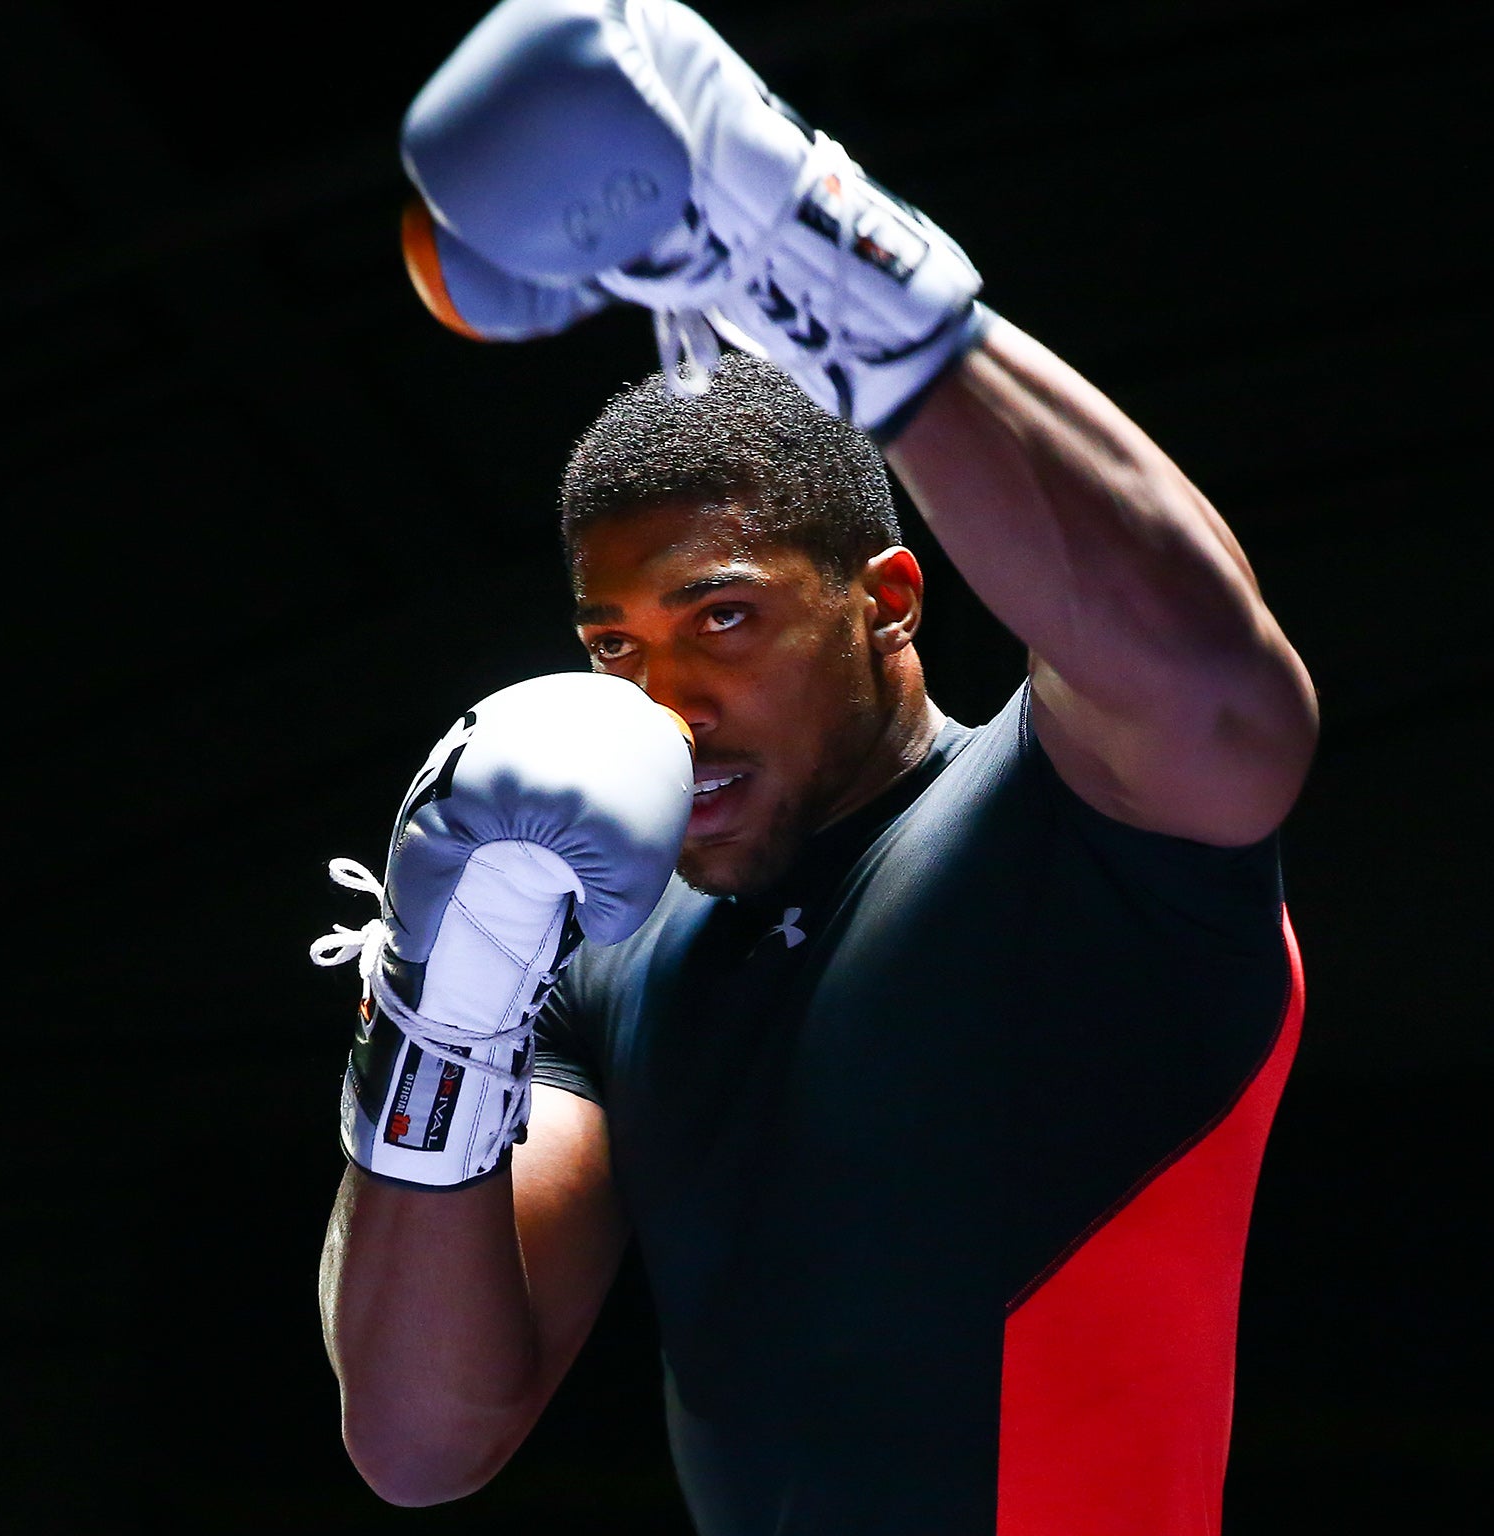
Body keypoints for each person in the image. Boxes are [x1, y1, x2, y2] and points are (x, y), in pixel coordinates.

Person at [315, 3, 1319, 1532]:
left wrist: (819, 249)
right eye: (617, 649)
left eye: (723, 618)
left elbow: (1223, 698)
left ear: (888, 602)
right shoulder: (599, 963)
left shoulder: (1076, 829)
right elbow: (417, 1438)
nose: (667, 700)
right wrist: (436, 1019)